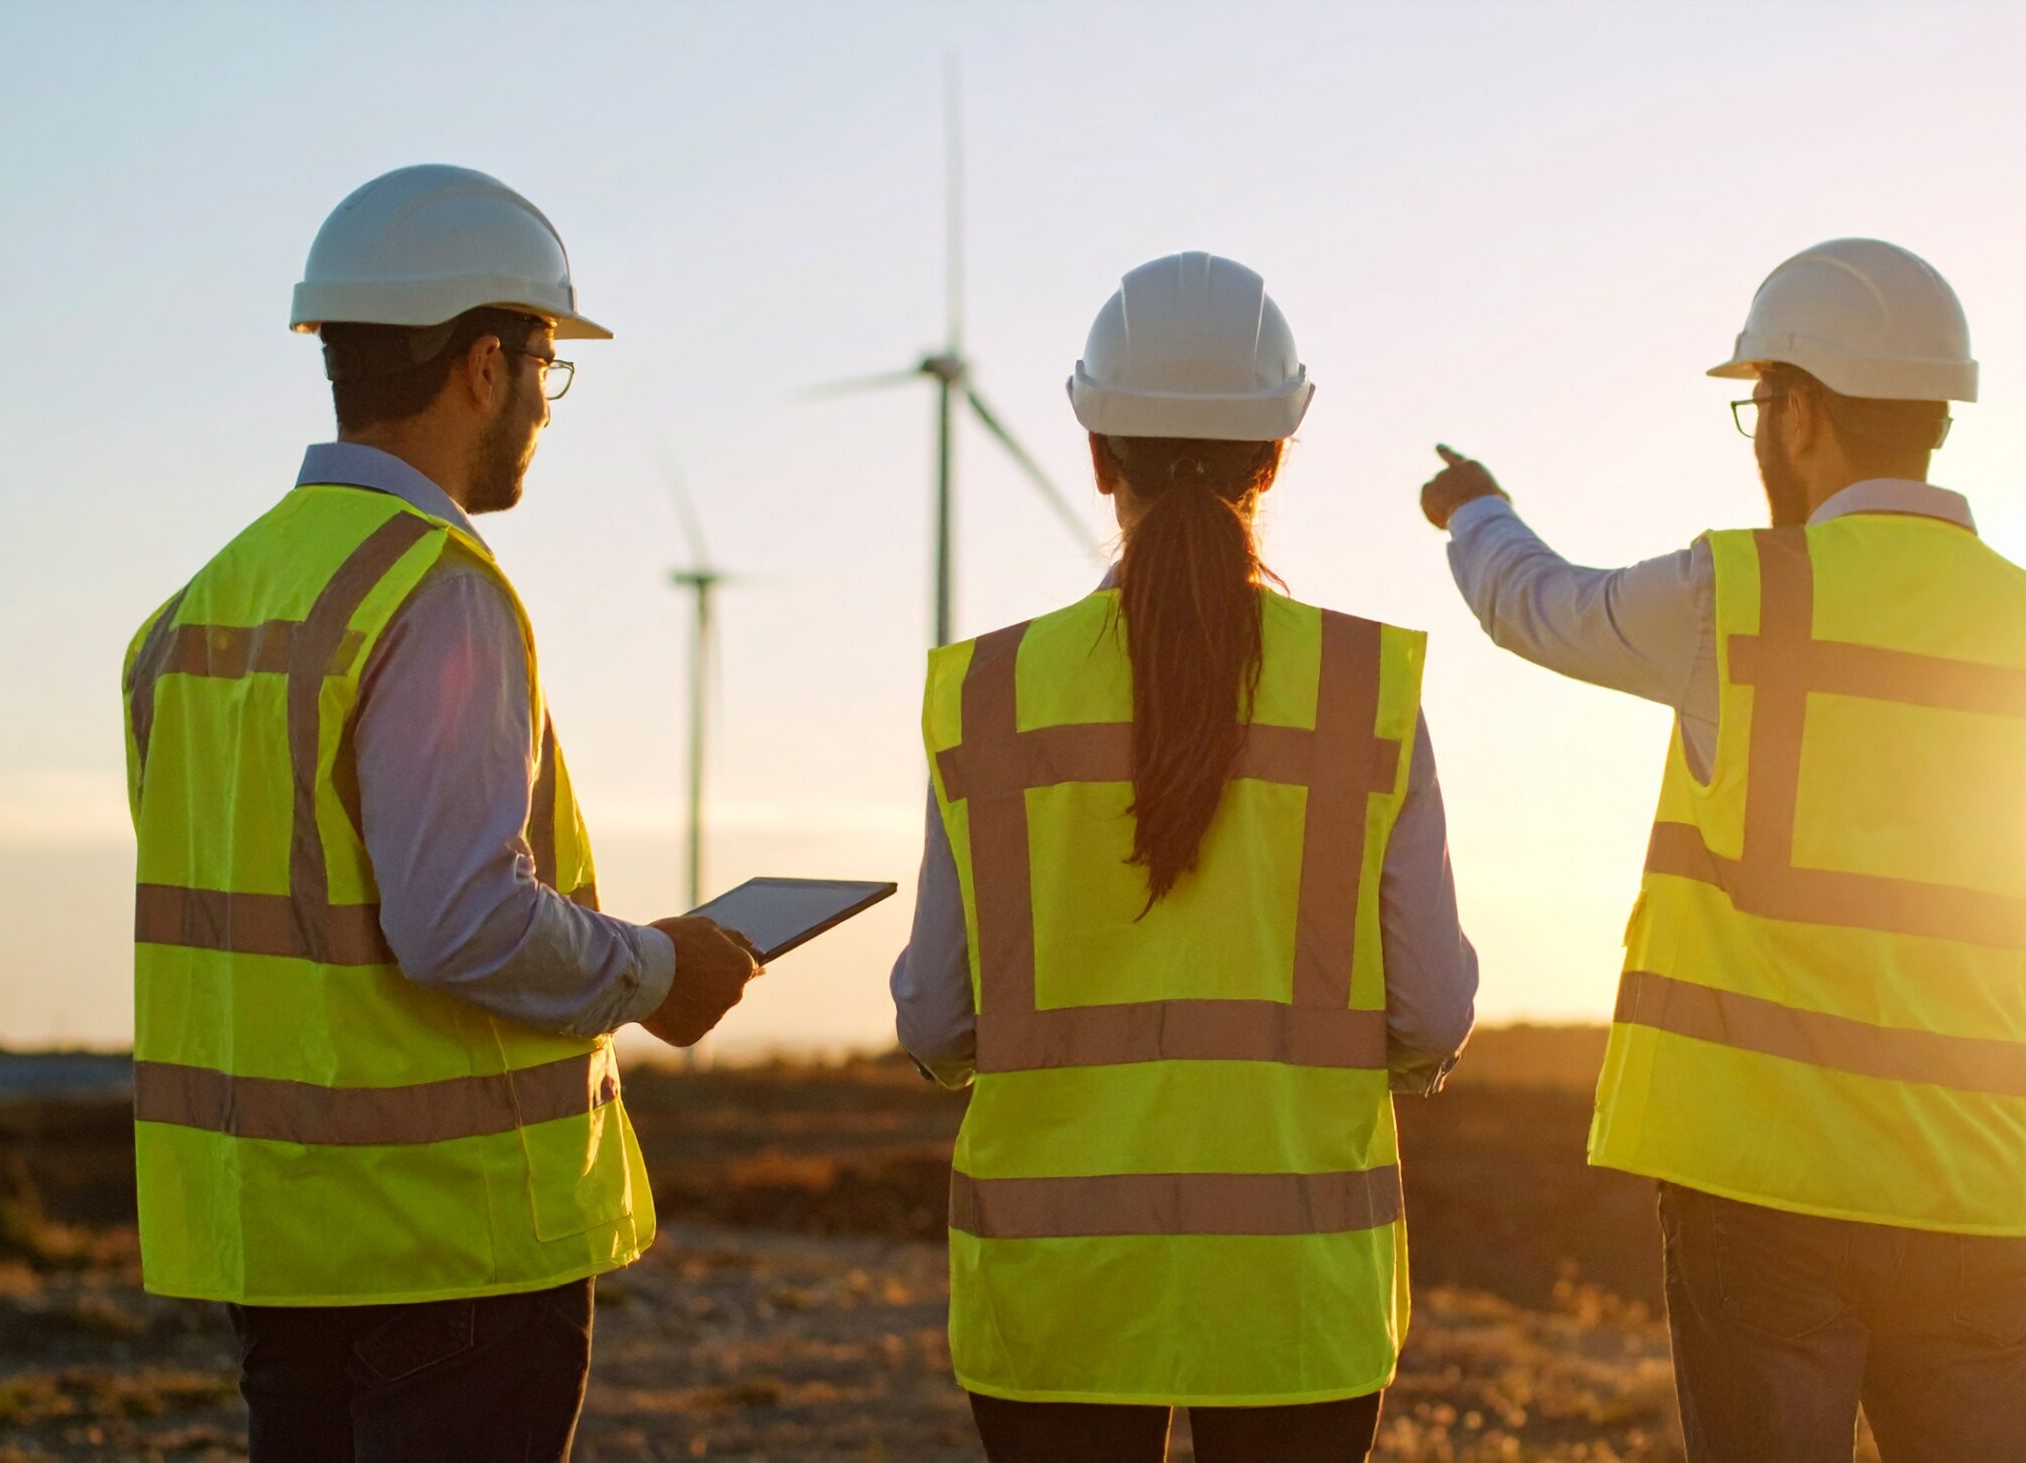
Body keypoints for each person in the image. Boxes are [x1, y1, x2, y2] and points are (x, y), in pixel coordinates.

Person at [1417, 239, 2026, 1462]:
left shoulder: (1733, 595)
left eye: (1755, 406)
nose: (1758, 434)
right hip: (1973, 1203)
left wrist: (1474, 508)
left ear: (1801, 410)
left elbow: (1535, 603)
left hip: (1758, 1205)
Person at [121, 164, 763, 1463]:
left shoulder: (192, 617)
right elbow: (457, 919)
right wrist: (656, 970)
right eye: (544, 369)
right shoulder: (437, 589)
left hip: (278, 1245)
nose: (542, 407)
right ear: (483, 363)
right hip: (447, 1252)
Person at [892, 251, 1478, 1463]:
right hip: (1296, 1295)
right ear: (1276, 455)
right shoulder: (1367, 690)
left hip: (1056, 1295)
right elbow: (1429, 1010)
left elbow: (941, 1021)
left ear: (1098, 454)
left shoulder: (990, 694)